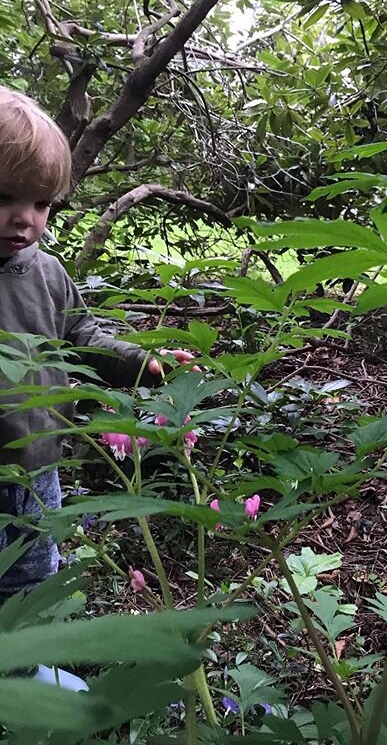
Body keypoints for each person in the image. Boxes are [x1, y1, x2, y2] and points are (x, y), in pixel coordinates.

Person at [0, 86, 190, 689]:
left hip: (38, 468)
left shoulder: (48, 272)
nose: (23, 218)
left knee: (33, 578)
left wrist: (141, 360)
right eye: (2, 198)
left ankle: (23, 674)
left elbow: (81, 331)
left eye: (40, 203)